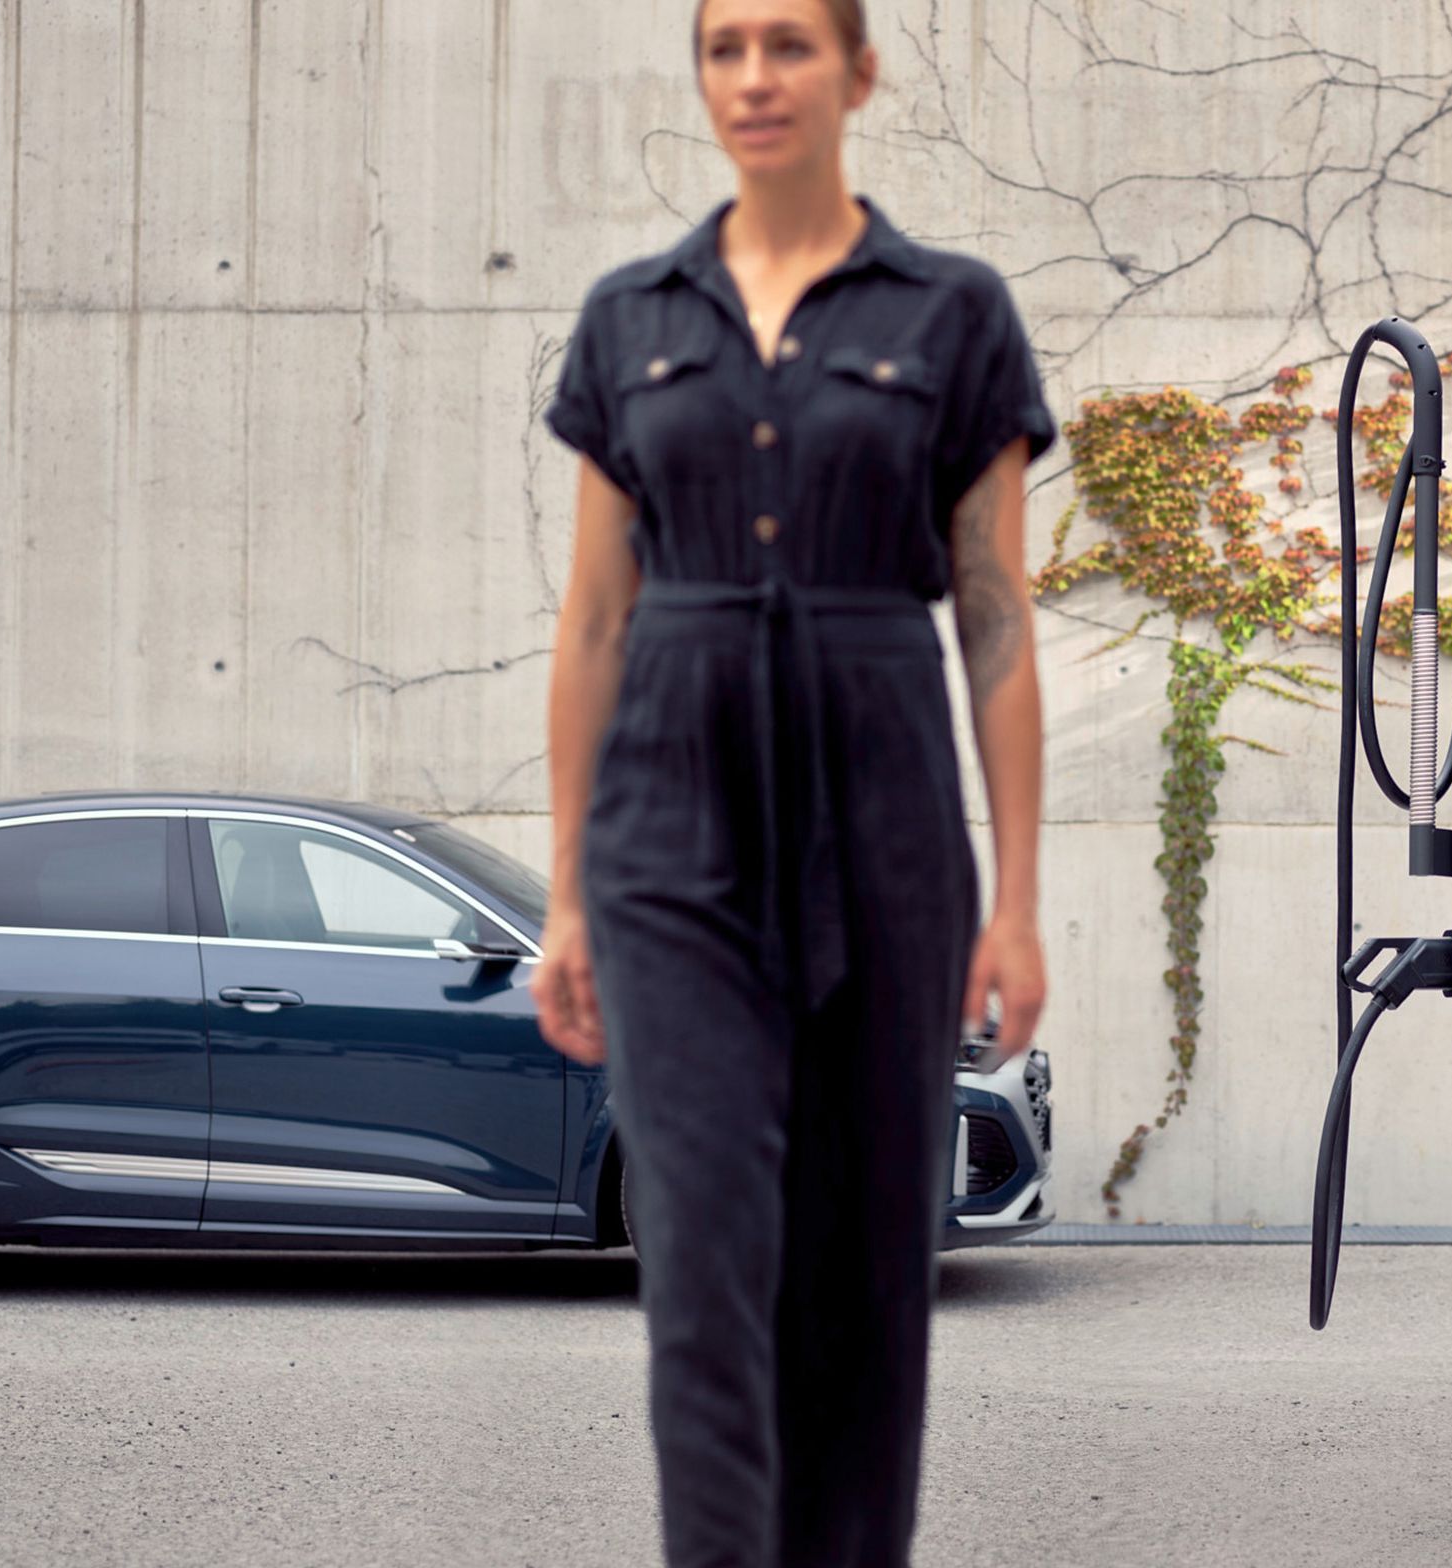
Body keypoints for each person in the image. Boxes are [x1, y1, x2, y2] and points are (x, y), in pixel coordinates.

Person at [529, 0, 1055, 1560]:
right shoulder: (632, 317)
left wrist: (1016, 900)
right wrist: (564, 888)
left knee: (871, 1264)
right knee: (701, 1261)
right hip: (667, 837)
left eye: (789, 44)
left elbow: (997, 618)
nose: (754, 77)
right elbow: (597, 617)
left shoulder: (953, 313)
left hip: (888, 816)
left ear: (858, 73)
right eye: (725, 46)